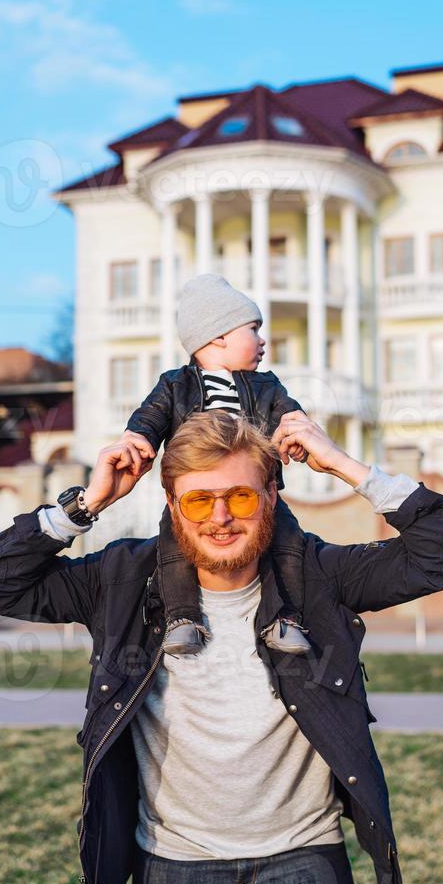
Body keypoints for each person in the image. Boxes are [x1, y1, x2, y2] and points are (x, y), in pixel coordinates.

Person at [0, 411, 443, 884]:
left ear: (271, 498)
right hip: (173, 867)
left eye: (240, 496)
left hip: (305, 862)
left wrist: (346, 466)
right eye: (198, 500)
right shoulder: (121, 579)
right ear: (172, 504)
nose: (220, 517)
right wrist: (87, 502)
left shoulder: (319, 576)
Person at [122, 272, 313, 657]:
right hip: (196, 493)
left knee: (289, 544)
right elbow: (151, 415)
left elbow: (289, 414)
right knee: (173, 547)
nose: (263, 341)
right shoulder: (176, 384)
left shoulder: (266, 385)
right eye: (254, 329)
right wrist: (137, 438)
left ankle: (283, 617)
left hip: (256, 494)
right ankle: (182, 617)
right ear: (219, 335)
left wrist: (299, 432)